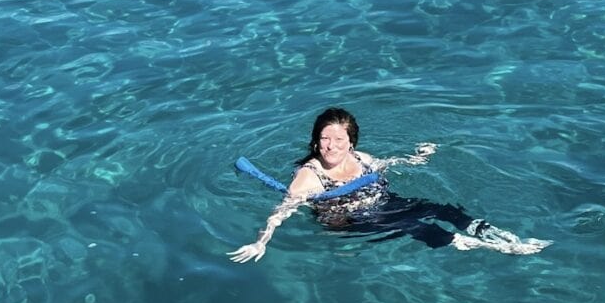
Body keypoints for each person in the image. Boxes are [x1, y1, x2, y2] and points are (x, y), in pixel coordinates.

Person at [228, 108, 551, 263]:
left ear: (351, 143)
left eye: (338, 139)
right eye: (323, 139)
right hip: (352, 220)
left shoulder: (362, 158)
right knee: (417, 226)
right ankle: (501, 249)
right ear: (315, 142)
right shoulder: (308, 176)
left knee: (441, 208)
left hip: (383, 202)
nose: (330, 146)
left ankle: (501, 234)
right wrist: (262, 242)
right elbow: (282, 210)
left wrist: (414, 159)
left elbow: (386, 164)